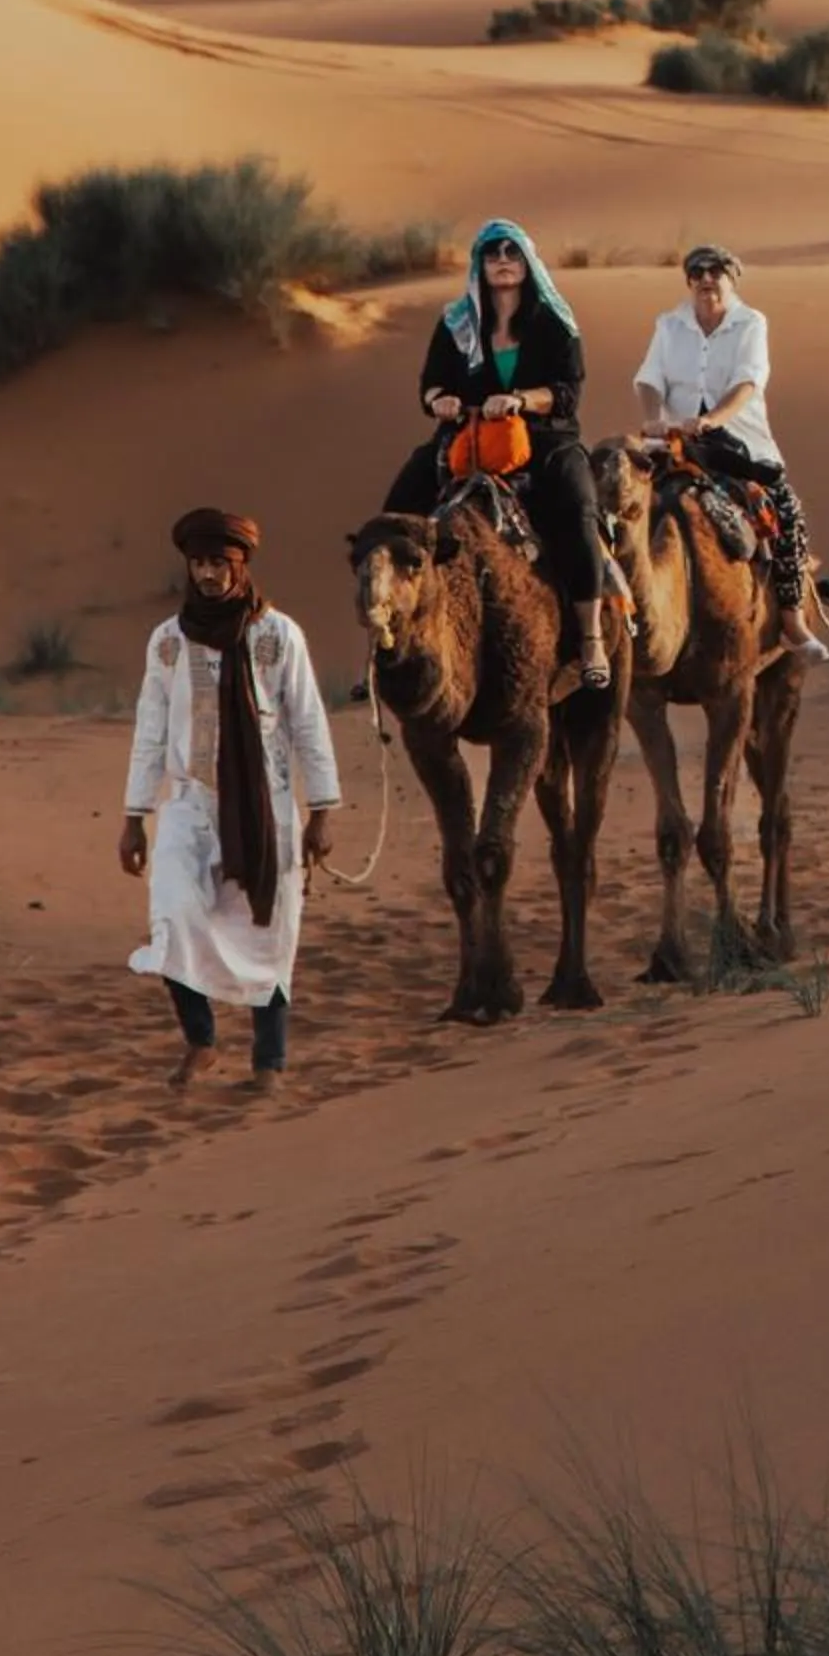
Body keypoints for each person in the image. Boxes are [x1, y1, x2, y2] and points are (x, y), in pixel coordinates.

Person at [120, 510, 340, 1092]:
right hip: (189, 804)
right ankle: (201, 1041)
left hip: (266, 806)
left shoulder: (278, 635)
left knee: (269, 930)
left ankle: (269, 1063)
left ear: (239, 565)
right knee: (172, 916)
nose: (210, 574)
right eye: (199, 563)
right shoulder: (168, 641)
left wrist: (321, 811)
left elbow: (309, 723)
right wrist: (134, 816)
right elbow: (150, 729)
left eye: (220, 562)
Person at [379, 218, 616, 686]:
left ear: (527, 262)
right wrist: (438, 401)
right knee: (396, 513)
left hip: (545, 439)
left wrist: (523, 399)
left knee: (579, 509)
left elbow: (568, 391)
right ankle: (390, 635)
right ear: (479, 264)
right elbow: (431, 383)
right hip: (469, 438)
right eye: (492, 254)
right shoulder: (456, 323)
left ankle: (591, 639)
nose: (503, 262)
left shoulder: (555, 322)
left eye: (511, 253)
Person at [633, 245, 829, 662]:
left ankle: (792, 620)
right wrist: (653, 419)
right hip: (673, 443)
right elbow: (649, 379)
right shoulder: (669, 326)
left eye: (716, 271)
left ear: (731, 278)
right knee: (621, 506)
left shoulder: (750, 324)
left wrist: (712, 420)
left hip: (738, 443)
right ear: (689, 281)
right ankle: (611, 620)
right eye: (698, 273)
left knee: (783, 508)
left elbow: (747, 382)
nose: (707, 279)